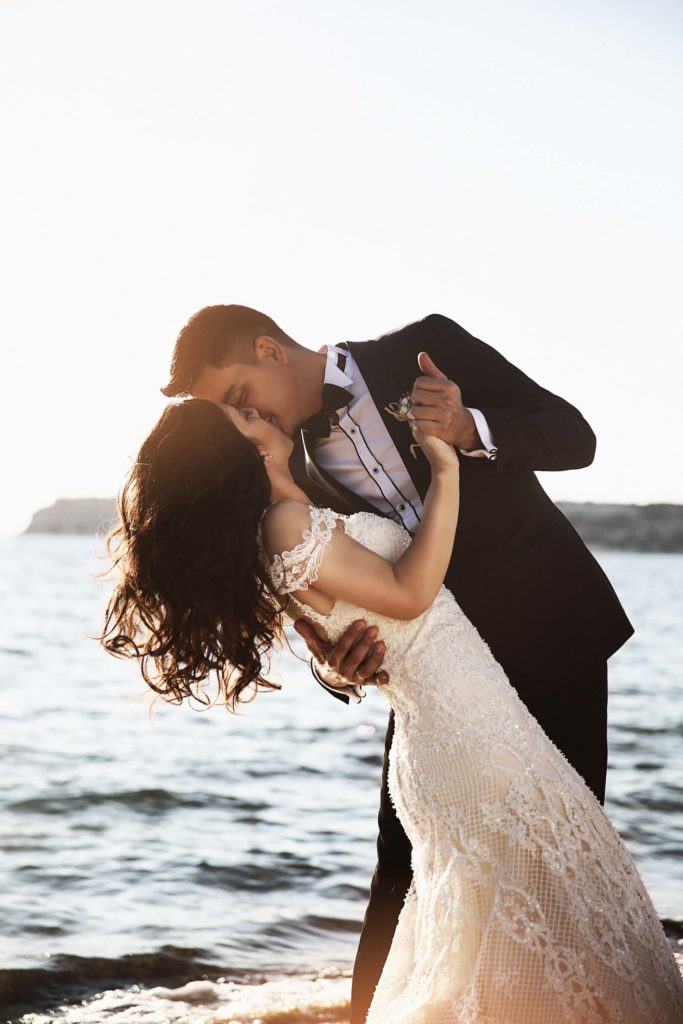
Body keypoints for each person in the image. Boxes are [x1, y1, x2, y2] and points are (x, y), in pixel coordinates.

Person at [100, 396, 683, 1023]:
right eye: (239, 417)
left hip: (461, 734)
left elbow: (339, 634)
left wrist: (335, 661)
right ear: (235, 451)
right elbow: (409, 595)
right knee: (546, 935)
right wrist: (447, 472)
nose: (256, 413)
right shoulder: (284, 526)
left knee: (516, 939)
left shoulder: (286, 525)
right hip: (468, 743)